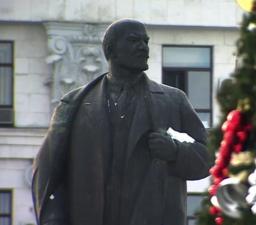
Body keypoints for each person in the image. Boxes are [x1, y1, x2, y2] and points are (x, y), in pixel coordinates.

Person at [32, 19, 211, 225]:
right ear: (111, 49)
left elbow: (211, 154)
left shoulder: (173, 100)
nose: (143, 47)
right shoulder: (75, 104)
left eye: (146, 41)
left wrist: (176, 152)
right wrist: (53, 220)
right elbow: (46, 170)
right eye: (134, 40)